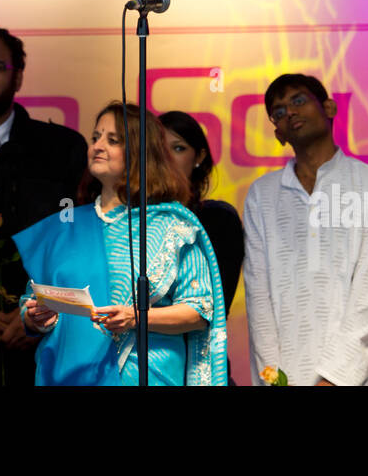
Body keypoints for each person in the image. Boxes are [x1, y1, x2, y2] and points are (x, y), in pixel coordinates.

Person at [15, 102, 227, 386]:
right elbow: (32, 299)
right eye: (95, 137)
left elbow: (200, 310)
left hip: (146, 375)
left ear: (142, 152)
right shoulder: (66, 225)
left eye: (112, 140)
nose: (98, 146)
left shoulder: (171, 224)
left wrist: (136, 318)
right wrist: (35, 317)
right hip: (69, 377)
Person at [0, 21, 87, 386]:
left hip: (49, 341)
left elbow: (84, 242)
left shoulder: (62, 149)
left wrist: (47, 307)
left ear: (18, 77)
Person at [243, 73, 368, 386]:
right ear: (277, 133)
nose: (290, 113)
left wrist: (332, 380)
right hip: (286, 378)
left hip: (362, 378)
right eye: (279, 112)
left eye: (298, 101)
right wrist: (275, 381)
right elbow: (258, 302)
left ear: (329, 108)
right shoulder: (262, 194)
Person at [159, 111, 243, 312]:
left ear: (199, 156)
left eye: (178, 148)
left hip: (191, 341)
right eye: (158, 149)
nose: (167, 158)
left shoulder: (218, 219)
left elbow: (214, 309)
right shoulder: (131, 218)